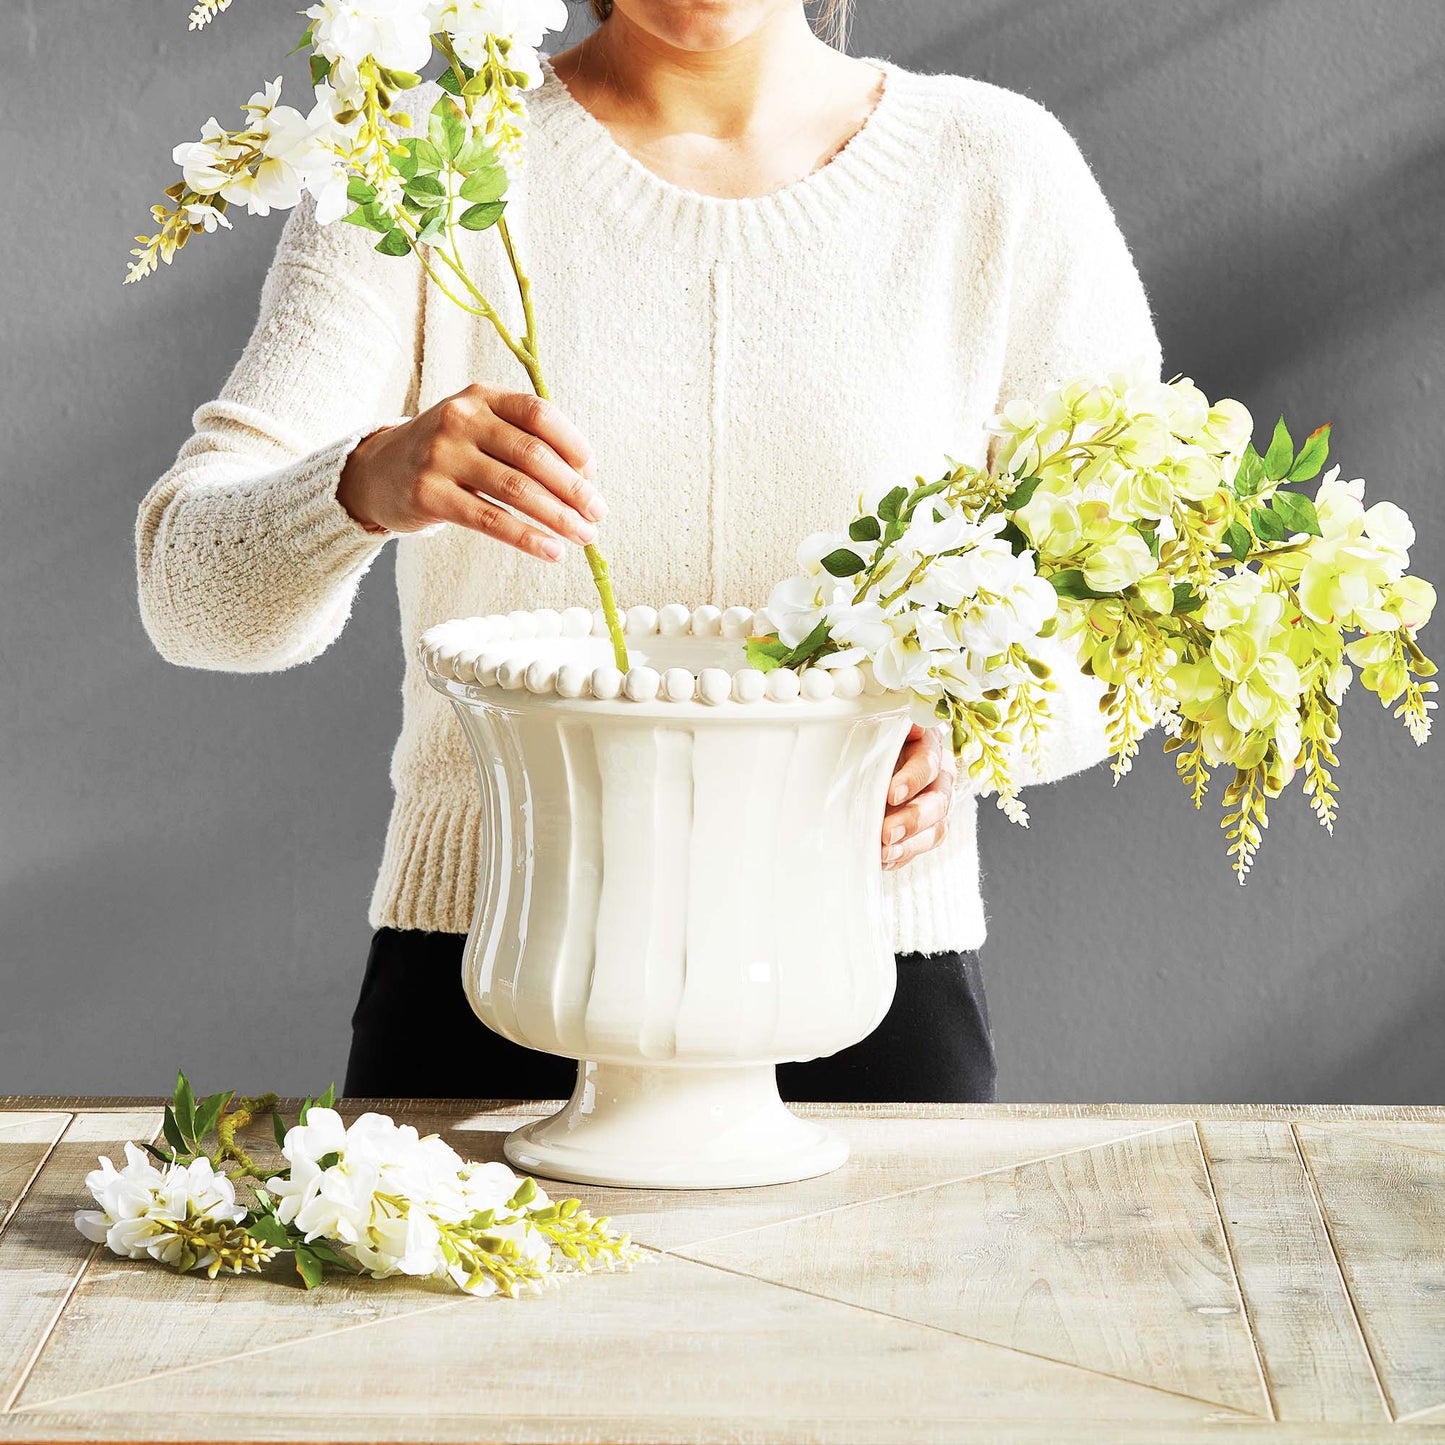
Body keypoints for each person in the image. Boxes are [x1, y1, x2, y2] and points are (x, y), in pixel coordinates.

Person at [135, 0, 1163, 1105]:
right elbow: (191, 594)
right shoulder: (425, 161)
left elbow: (1135, 610)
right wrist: (364, 482)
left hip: (863, 973)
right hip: (490, 963)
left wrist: (967, 733)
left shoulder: (991, 171)